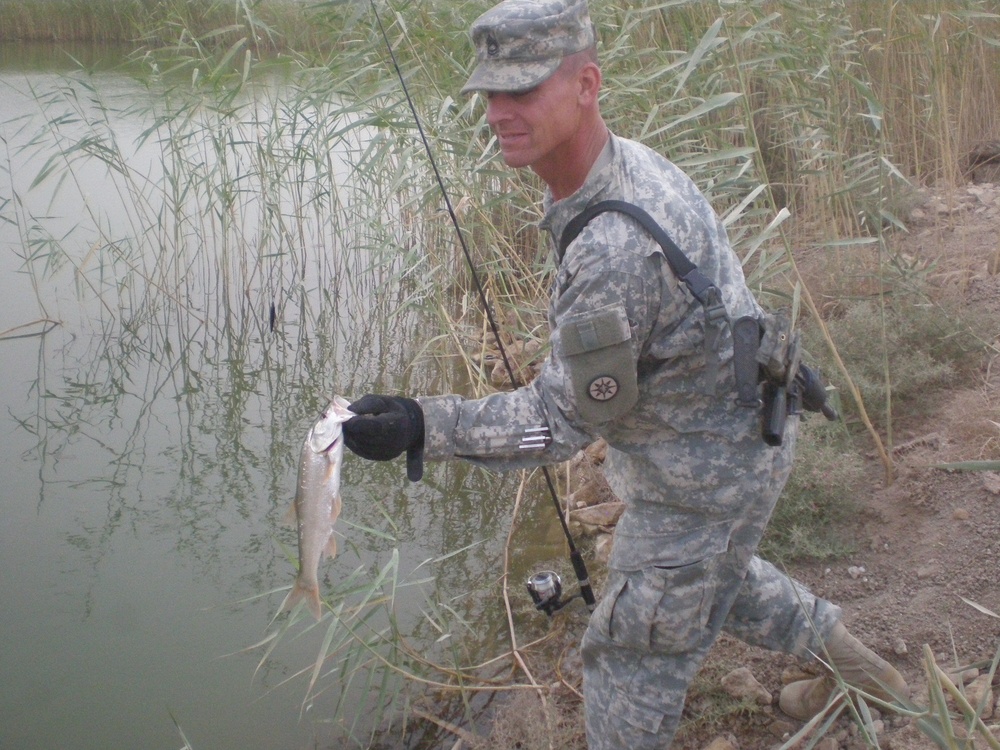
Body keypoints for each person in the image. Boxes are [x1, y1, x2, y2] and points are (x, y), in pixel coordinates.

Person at [342, 1, 909, 747]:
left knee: (625, 659)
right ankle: (872, 676)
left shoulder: (613, 246)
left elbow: (558, 423)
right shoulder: (621, 165)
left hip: (703, 478)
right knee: (714, 575)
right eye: (491, 92)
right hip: (731, 442)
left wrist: (422, 425)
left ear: (586, 84)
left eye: (525, 90)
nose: (500, 113)